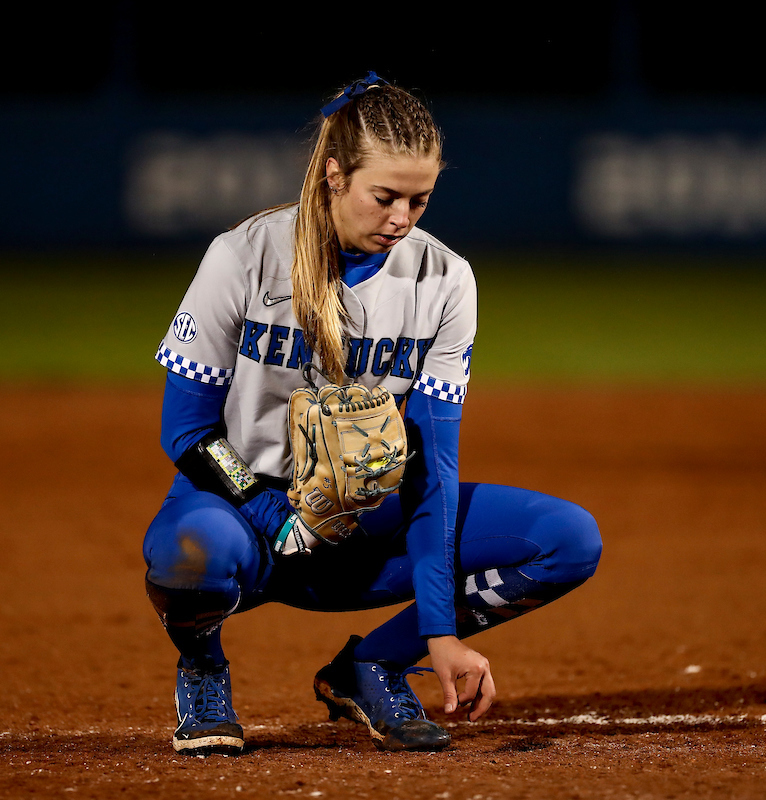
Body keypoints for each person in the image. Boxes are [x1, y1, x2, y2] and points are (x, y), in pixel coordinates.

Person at [142, 73, 602, 755]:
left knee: (567, 539)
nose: (402, 218)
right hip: (245, 515)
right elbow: (185, 430)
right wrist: (279, 520)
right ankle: (204, 671)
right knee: (191, 556)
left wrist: (440, 632)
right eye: (385, 197)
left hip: (366, 521)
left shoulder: (444, 279)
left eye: (420, 200)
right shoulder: (242, 257)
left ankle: (373, 664)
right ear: (334, 175)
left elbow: (435, 468)